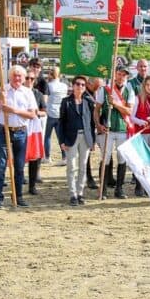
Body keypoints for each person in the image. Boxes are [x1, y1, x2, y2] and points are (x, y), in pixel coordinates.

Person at [0, 65, 39, 209]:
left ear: (23, 78)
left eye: (19, 76)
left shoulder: (27, 92)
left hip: (21, 131)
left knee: (19, 166)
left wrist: (13, 110)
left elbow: (32, 114)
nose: (17, 78)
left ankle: (18, 196)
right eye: (14, 75)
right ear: (10, 77)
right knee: (1, 165)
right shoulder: (1, 90)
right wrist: (0, 99)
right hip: (3, 130)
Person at [99, 65, 137, 198]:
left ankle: (119, 189)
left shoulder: (129, 90)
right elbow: (96, 109)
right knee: (105, 158)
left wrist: (115, 104)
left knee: (122, 159)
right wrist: (98, 124)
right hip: (108, 129)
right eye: (119, 74)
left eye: (124, 75)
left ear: (127, 77)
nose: (121, 77)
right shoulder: (105, 89)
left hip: (122, 129)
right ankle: (103, 189)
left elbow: (129, 111)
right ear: (115, 74)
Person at [58, 75, 96, 205]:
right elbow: (61, 122)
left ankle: (80, 193)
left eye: (83, 85)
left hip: (85, 137)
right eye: (78, 84)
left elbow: (91, 123)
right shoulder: (66, 102)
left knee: (83, 166)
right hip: (70, 137)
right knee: (71, 166)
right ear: (73, 86)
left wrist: (92, 140)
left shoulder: (88, 101)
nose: (80, 86)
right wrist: (61, 141)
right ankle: (73, 194)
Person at [24, 69, 48, 196]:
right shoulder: (18, 92)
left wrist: (37, 112)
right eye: (27, 78)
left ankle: (32, 185)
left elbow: (45, 111)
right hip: (21, 126)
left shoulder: (38, 94)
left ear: (35, 81)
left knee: (34, 157)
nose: (29, 80)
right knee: (19, 157)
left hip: (33, 128)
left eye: (31, 78)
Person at [44, 67, 68, 166]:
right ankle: (64, 157)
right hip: (60, 113)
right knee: (61, 137)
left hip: (50, 112)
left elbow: (45, 99)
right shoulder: (64, 86)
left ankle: (47, 157)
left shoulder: (48, 85)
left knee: (47, 136)